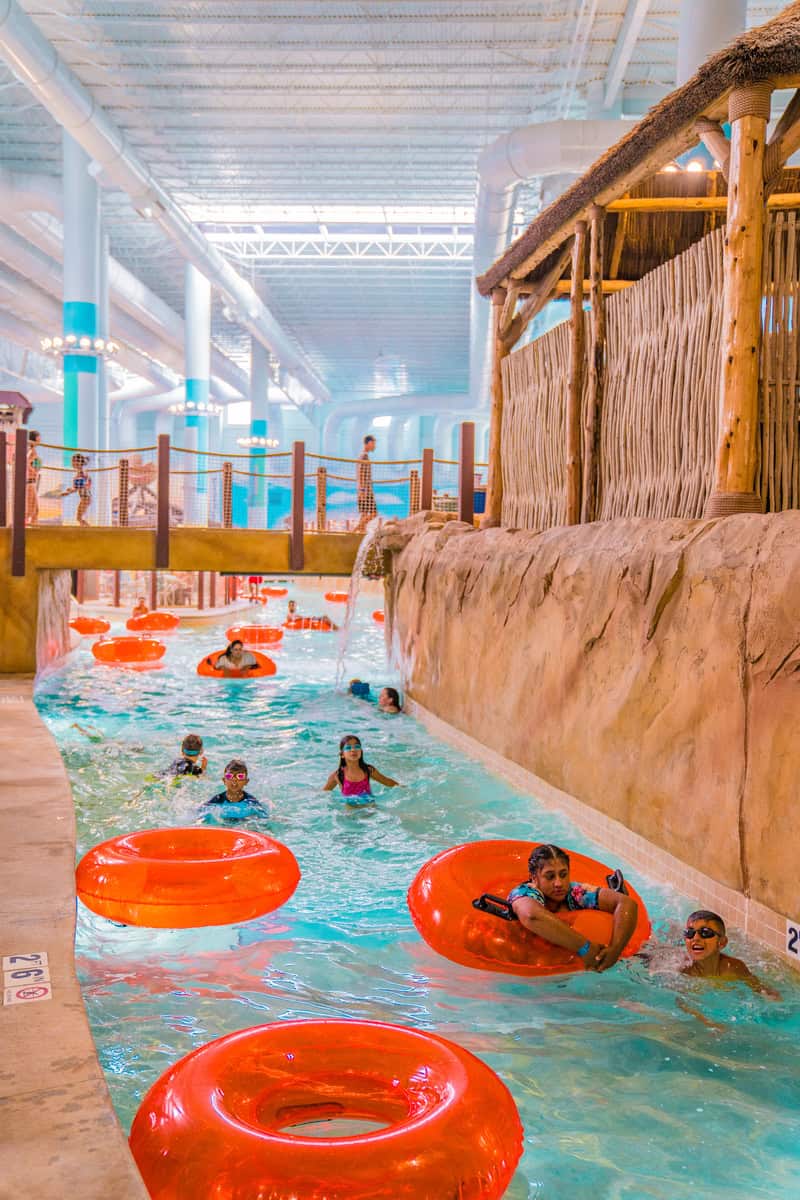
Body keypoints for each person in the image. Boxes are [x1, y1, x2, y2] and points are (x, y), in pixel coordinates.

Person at [508, 844, 638, 972]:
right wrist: (585, 948)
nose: (559, 883)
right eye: (550, 876)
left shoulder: (575, 892)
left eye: (563, 875)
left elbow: (626, 903)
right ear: (534, 878)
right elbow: (532, 915)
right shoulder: (524, 892)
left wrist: (615, 950)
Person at [681, 910, 779, 996]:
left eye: (705, 933)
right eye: (690, 933)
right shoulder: (682, 969)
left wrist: (769, 995)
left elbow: (758, 987)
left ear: (722, 943)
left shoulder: (733, 967)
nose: (696, 938)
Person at [323, 735, 398, 804]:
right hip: (350, 814)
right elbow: (324, 792)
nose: (353, 750)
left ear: (361, 752)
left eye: (357, 746)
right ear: (342, 754)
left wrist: (404, 788)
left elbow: (387, 781)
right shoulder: (338, 775)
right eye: (348, 748)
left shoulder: (368, 770)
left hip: (370, 810)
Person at [201, 759, 269, 821]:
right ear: (224, 780)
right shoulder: (218, 800)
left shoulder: (251, 802)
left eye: (240, 776)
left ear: (246, 781)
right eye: (229, 776)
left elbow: (264, 818)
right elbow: (201, 813)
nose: (234, 780)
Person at [60, 453, 92, 526]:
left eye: (73, 461)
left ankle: (89, 529)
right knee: (79, 518)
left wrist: (69, 491)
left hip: (86, 498)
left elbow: (79, 486)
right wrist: (68, 491)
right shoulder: (79, 473)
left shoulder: (82, 472)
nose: (72, 463)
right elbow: (77, 487)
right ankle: (86, 528)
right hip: (84, 498)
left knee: (79, 518)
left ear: (78, 462)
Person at [355, 434, 376, 532]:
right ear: (368, 443)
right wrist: (362, 490)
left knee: (364, 513)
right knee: (373, 513)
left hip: (363, 490)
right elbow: (361, 473)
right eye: (373, 443)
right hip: (366, 491)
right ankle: (355, 530)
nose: (374, 446)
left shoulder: (362, 455)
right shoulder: (364, 456)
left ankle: (360, 533)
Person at [25, 429, 42, 526]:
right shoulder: (31, 450)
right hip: (29, 482)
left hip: (32, 482)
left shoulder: (33, 450)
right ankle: (26, 529)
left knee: (35, 510)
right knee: (31, 510)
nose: (40, 438)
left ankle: (33, 529)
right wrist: (34, 470)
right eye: (39, 436)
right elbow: (26, 461)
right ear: (35, 438)